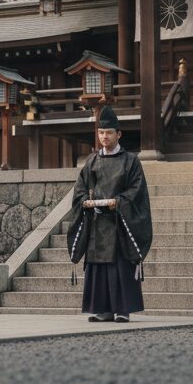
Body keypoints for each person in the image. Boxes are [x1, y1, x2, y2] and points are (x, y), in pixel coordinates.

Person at [68, 105, 153, 322]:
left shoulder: (130, 161)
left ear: (118, 134)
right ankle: (103, 309)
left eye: (109, 133)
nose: (104, 137)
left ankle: (122, 309)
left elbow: (137, 189)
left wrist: (119, 202)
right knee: (99, 268)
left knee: (120, 266)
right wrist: (84, 202)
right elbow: (79, 188)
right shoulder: (92, 161)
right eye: (101, 133)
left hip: (120, 223)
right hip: (97, 222)